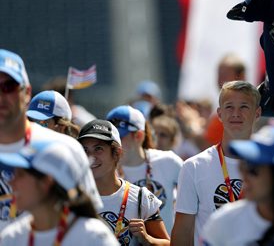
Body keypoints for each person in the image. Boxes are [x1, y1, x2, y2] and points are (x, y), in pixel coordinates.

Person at [0, 49, 102, 231]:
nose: (1, 96)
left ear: (27, 93)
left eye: (8, 86)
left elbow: (91, 226)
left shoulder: (65, 150)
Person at [171, 80, 261, 246]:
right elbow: (183, 232)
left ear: (257, 113)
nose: (236, 113)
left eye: (244, 107)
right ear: (219, 114)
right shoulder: (194, 167)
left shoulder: (273, 166)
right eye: (229, 107)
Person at [0, 139, 118, 245]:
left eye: (20, 175)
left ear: (46, 182)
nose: (11, 182)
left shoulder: (93, 237)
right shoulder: (11, 237)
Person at [77, 119, 170, 246]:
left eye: (98, 148)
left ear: (117, 153)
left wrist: (147, 239)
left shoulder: (141, 197)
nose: (91, 156)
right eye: (85, 150)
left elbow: (168, 243)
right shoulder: (70, 196)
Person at [106, 105, 183, 234]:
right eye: (110, 139)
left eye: (120, 137)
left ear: (139, 136)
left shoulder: (169, 161)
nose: (113, 144)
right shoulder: (104, 171)